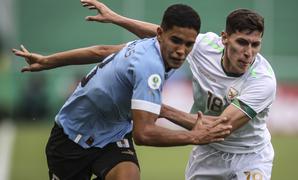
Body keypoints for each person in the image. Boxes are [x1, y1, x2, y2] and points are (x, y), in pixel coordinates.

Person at [12, 4, 232, 180]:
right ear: (160, 34)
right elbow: (144, 133)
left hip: (113, 134)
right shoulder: (150, 66)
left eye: (189, 44)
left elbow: (102, 51)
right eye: (176, 40)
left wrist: (49, 61)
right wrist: (194, 136)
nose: (181, 51)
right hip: (72, 139)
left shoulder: (148, 46)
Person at [78, 1, 277, 179]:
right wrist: (116, 18)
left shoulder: (263, 81)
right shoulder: (206, 45)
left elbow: (220, 128)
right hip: (208, 152)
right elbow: (162, 36)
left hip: (249, 155)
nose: (248, 52)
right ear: (224, 38)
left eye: (255, 44)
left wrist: (157, 107)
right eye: (242, 42)